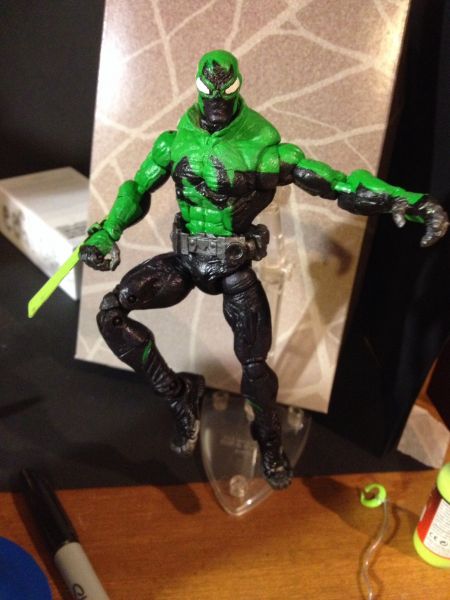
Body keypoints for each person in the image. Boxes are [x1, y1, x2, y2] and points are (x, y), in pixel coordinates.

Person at [80, 50, 448, 490]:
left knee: (255, 369)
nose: (216, 106)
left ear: (236, 90)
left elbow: (336, 183)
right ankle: (179, 396)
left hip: (234, 268)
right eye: (210, 97)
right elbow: (137, 188)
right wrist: (107, 231)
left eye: (224, 97)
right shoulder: (172, 143)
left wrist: (404, 200)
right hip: (185, 259)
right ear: (199, 90)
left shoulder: (263, 149)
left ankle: (269, 441)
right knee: (111, 312)